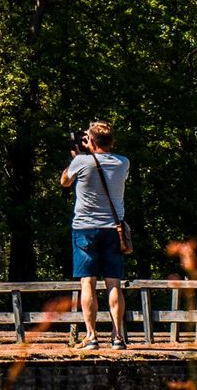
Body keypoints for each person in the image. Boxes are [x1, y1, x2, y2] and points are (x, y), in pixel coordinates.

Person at [60, 120, 131, 350]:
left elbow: (64, 182)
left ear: (90, 140)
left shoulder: (81, 161)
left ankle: (91, 336)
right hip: (114, 229)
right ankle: (117, 336)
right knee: (114, 283)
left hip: (84, 228)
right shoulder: (123, 163)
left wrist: (77, 155)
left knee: (87, 282)